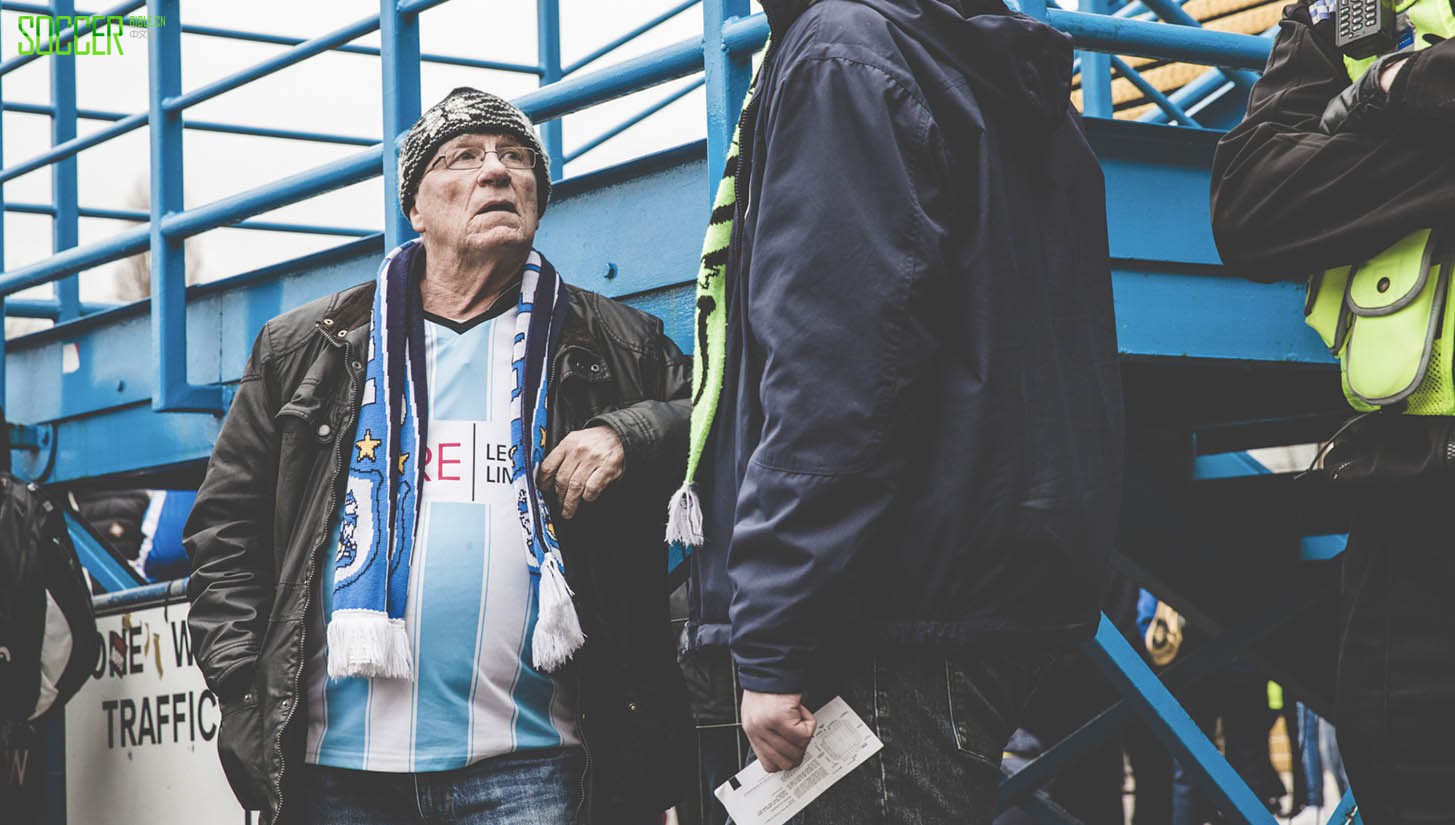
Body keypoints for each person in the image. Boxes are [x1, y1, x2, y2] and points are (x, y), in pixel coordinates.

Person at [667, 0, 1125, 821]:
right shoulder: (966, 62)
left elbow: (833, 370)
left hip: (873, 620)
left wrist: (772, 638)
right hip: (955, 590)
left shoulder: (840, 51)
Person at [185, 87, 694, 825]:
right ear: (415, 209)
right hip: (334, 772)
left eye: (516, 159)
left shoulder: (619, 342)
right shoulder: (308, 348)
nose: (496, 172)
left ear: (539, 199)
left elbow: (725, 424)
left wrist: (631, 432)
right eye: (462, 158)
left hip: (535, 765)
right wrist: (243, 681)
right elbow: (224, 529)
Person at [1211, 5, 1455, 821]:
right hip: (1409, 507)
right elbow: (1250, 207)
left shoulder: (1383, 50)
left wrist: (1394, 85)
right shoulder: (1355, 9)